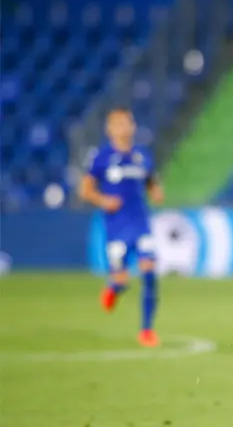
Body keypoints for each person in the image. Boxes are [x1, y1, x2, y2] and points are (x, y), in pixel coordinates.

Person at [79, 108, 164, 347]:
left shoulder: (142, 156)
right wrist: (105, 201)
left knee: (149, 270)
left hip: (141, 224)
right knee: (122, 279)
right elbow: (85, 190)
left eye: (128, 123)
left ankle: (147, 330)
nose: (124, 128)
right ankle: (114, 288)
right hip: (116, 227)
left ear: (133, 126)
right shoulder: (102, 157)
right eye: (119, 124)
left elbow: (151, 182)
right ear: (110, 129)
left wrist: (155, 191)